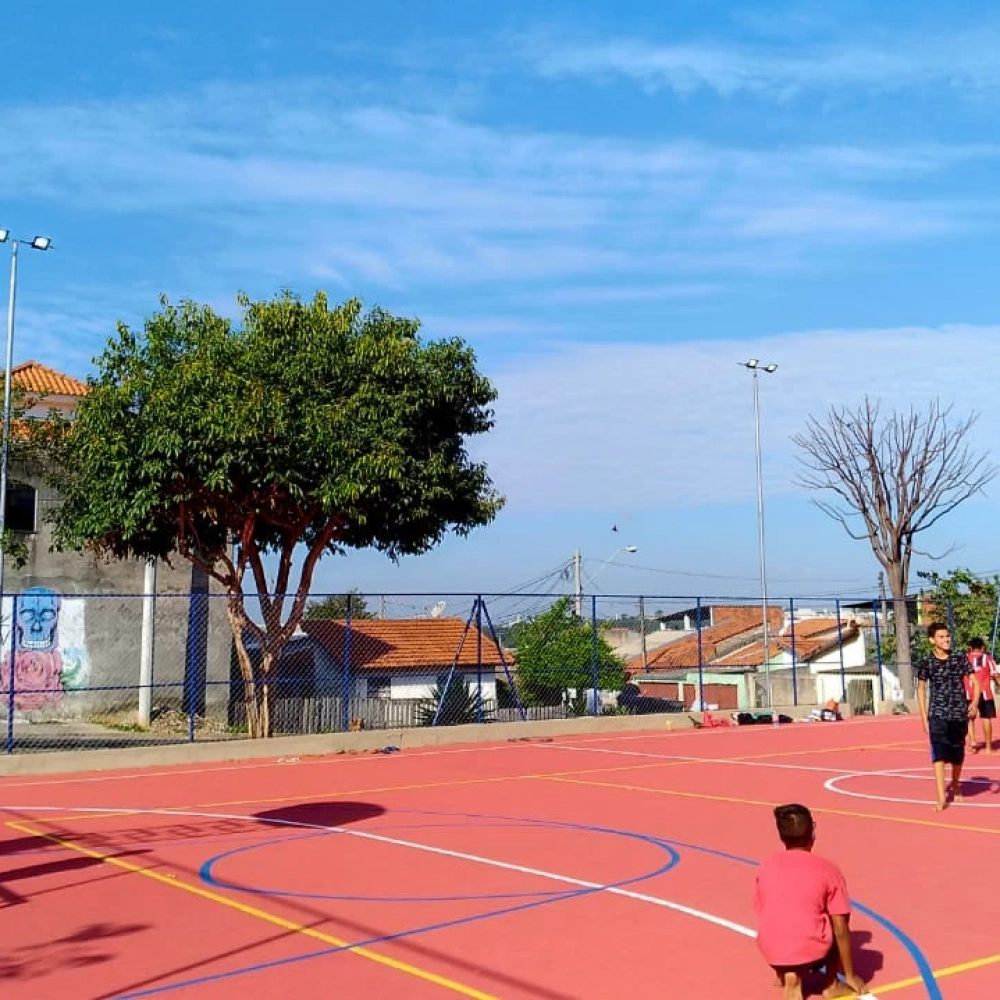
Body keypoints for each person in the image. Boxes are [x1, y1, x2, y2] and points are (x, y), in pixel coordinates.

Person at [754, 803, 868, 999]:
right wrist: (849, 975)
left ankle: (786, 974)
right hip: (811, 951)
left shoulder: (766, 867)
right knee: (836, 921)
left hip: (771, 951)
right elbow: (841, 929)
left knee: (782, 913)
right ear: (812, 832)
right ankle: (831, 984)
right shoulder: (828, 869)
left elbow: (763, 908)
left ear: (781, 835)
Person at [916, 623, 980, 811]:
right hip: (937, 715)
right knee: (939, 754)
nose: (946, 639)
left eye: (947, 636)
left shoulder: (960, 658)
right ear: (932, 640)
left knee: (957, 755)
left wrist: (974, 703)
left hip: (959, 714)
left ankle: (956, 782)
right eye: (941, 637)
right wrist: (923, 717)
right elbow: (920, 689)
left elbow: (974, 682)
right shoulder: (926, 662)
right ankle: (941, 797)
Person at [965, 637, 997, 754]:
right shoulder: (987, 658)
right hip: (984, 693)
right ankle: (988, 747)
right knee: (986, 718)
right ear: (983, 648)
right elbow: (995, 675)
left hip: (968, 693)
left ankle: (972, 744)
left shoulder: (965, 659)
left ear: (970, 648)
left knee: (969, 718)